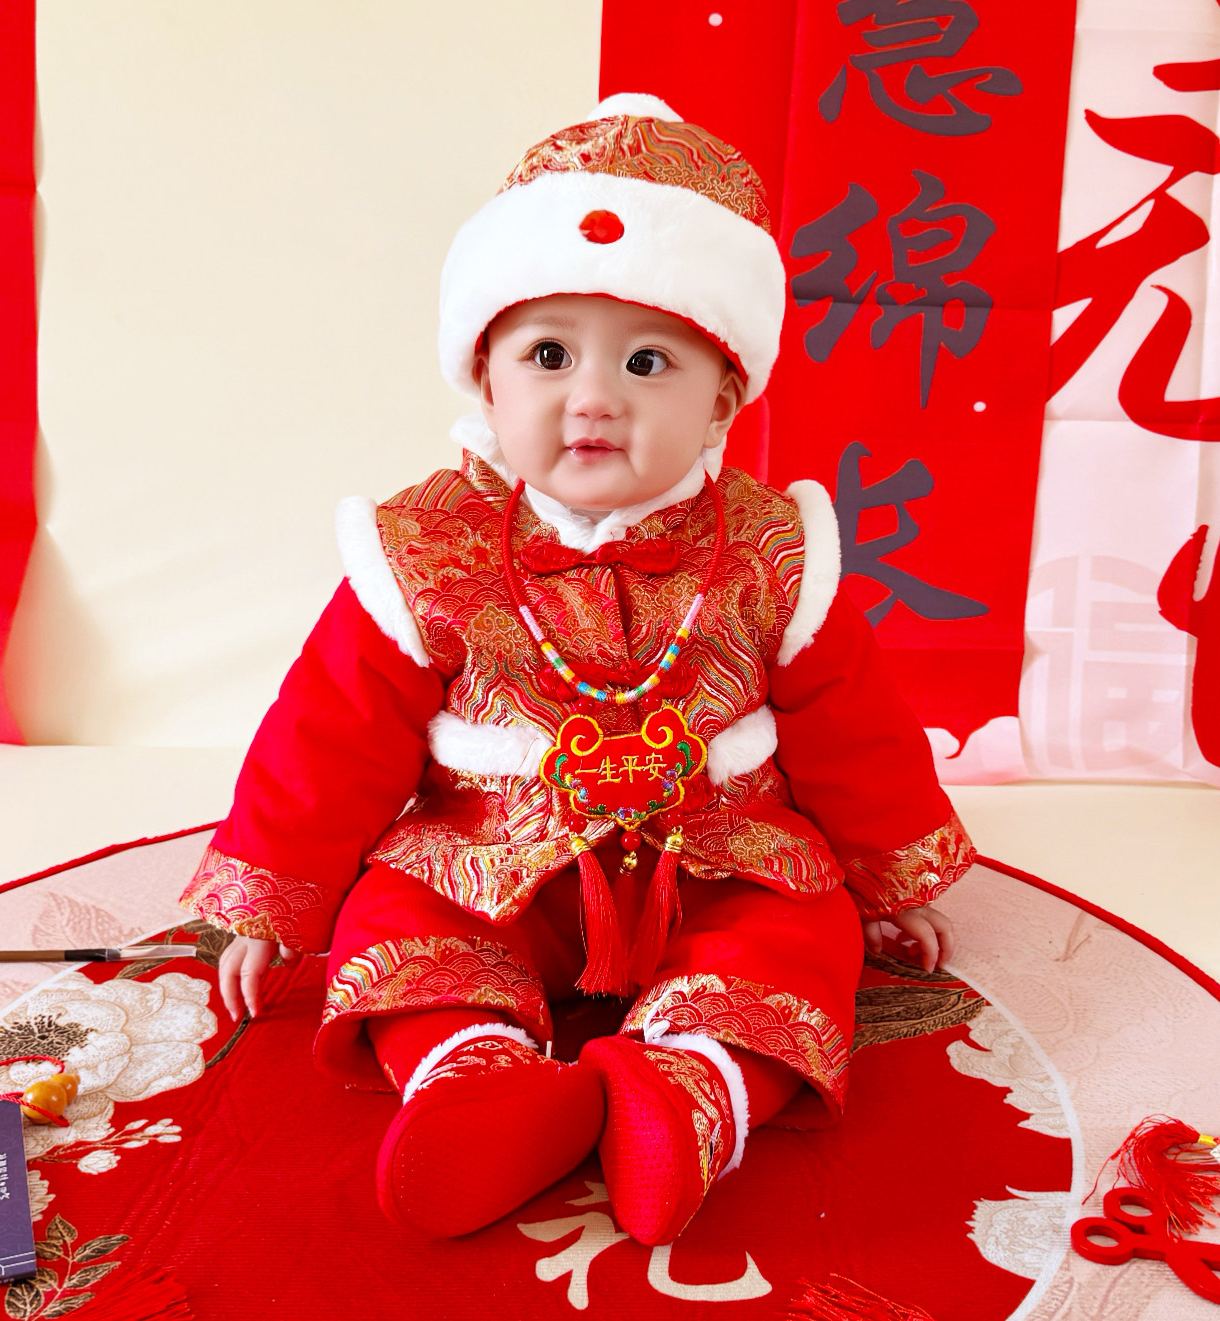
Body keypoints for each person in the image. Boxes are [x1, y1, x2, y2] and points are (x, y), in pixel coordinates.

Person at [180, 93, 975, 1247]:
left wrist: (893, 878)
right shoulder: (424, 549)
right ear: (486, 377)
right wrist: (274, 894)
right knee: (394, 917)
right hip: (491, 851)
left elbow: (855, 728)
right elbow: (331, 733)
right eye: (548, 354)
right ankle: (471, 1073)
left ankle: (694, 1088)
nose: (593, 397)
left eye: (648, 361)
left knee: (802, 935)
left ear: (722, 397)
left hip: (716, 851)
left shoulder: (774, 551)